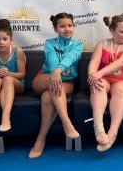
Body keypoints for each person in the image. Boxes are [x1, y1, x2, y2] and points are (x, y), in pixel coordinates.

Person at [29, 12, 83, 158]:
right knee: (53, 82)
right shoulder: (50, 43)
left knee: (49, 96)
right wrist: (55, 72)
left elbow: (71, 57)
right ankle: (67, 124)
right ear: (55, 28)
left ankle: (40, 139)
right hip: (44, 78)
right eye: (62, 26)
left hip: (67, 82)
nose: (67, 29)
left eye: (70, 25)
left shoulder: (78, 45)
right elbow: (52, 58)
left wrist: (58, 71)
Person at [87, 13, 123, 152]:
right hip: (104, 79)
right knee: (98, 86)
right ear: (112, 30)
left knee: (119, 91)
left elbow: (122, 62)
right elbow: (94, 61)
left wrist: (99, 73)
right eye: (122, 31)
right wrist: (92, 75)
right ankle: (98, 128)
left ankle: (113, 132)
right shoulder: (102, 43)